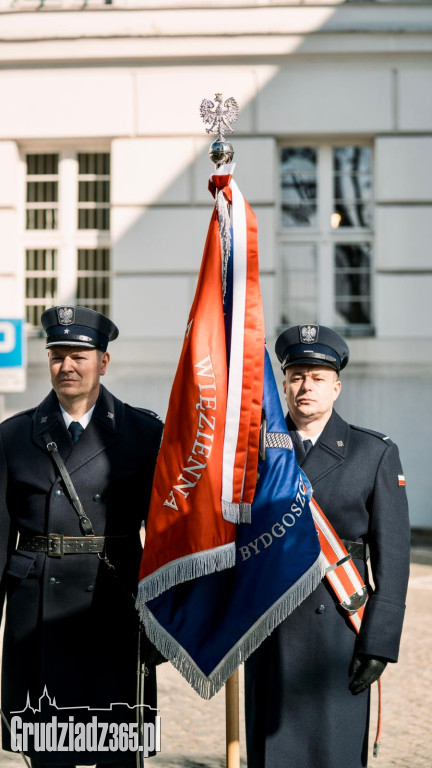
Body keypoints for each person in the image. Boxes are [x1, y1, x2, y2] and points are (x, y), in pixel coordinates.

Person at [0, 306, 164, 767]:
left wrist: (168, 619)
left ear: (103, 363)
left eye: (79, 356)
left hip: (114, 610)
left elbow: (168, 536)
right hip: (38, 617)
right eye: (57, 356)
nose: (66, 366)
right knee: (50, 753)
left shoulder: (144, 434)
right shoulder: (13, 437)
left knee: (115, 751)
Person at [245, 323, 411, 768]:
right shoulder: (253, 455)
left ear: (336, 386)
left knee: (332, 755)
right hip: (270, 631)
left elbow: (392, 556)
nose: (306, 387)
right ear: (283, 383)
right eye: (297, 376)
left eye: (318, 378)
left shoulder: (371, 452)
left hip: (339, 628)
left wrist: (379, 642)